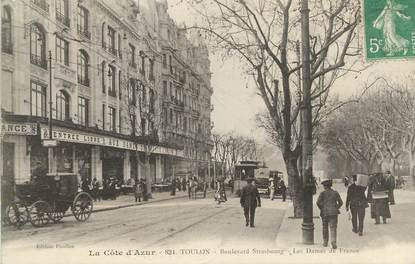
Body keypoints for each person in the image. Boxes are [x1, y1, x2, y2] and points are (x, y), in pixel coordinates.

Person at [316, 177, 343, 249]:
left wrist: (322, 208)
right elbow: (341, 202)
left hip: (324, 213)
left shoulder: (322, 193)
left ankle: (325, 242)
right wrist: (336, 208)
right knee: (333, 227)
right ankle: (333, 241)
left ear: (325, 186)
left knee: (325, 227)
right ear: (330, 185)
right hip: (333, 213)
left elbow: (318, 202)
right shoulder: (335, 193)